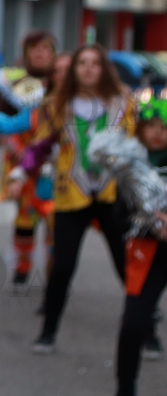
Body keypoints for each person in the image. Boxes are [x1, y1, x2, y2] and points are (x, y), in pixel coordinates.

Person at [12, 43, 137, 354]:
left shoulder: (123, 102)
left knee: (127, 266)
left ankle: (146, 331)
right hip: (72, 194)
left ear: (104, 68)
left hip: (113, 193)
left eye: (95, 63)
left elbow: (139, 144)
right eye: (82, 63)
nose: (88, 68)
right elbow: (40, 144)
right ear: (74, 69)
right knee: (63, 266)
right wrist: (20, 173)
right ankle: (48, 332)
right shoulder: (58, 104)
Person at [0, 51, 70, 287]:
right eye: (57, 72)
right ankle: (23, 267)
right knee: (25, 222)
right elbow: (9, 126)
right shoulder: (39, 107)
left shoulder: (88, 108)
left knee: (58, 232)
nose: (63, 76)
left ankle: (54, 286)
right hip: (33, 176)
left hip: (68, 182)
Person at [114, 98, 167, 396]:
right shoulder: (131, 169)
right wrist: (150, 220)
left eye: (165, 127)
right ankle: (125, 388)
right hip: (147, 254)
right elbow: (118, 218)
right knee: (133, 324)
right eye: (151, 127)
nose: (159, 133)